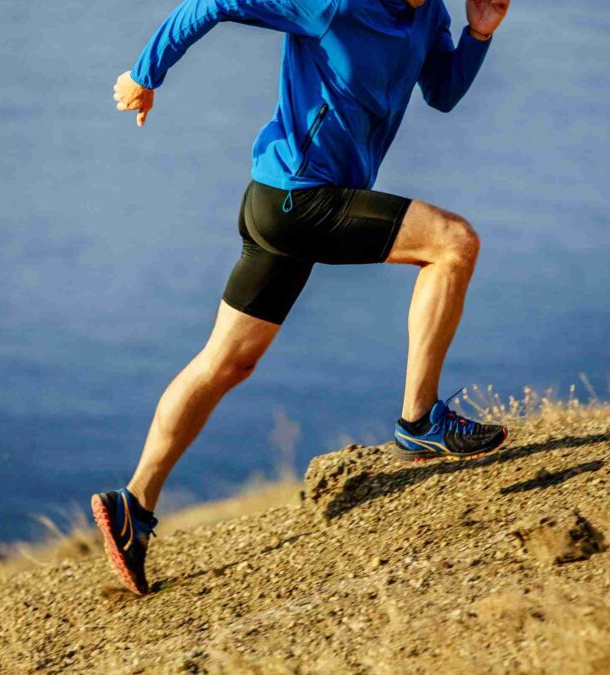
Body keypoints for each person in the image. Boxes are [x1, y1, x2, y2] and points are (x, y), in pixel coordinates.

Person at [92, 0, 512, 595]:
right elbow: (214, 3)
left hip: (290, 203)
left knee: (227, 362)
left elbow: (441, 91)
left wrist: (478, 34)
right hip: (297, 200)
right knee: (453, 243)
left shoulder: (429, 16)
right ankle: (420, 419)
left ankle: (133, 505)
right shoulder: (333, 4)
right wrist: (144, 75)